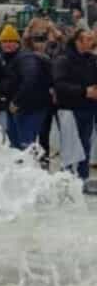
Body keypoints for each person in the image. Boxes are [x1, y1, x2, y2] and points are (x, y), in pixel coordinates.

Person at [50, 29, 97, 181]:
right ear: (78, 41)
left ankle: (83, 178)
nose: (92, 42)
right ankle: (67, 179)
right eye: (88, 39)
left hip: (89, 109)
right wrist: (84, 91)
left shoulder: (92, 59)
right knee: (70, 146)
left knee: (85, 145)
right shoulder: (63, 59)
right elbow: (59, 85)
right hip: (69, 110)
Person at [0, 25, 52, 153]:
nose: (8, 44)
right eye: (5, 41)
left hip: (30, 108)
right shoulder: (6, 59)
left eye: (11, 41)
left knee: (26, 146)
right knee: (16, 147)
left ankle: (30, 170)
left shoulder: (25, 58)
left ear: (18, 43)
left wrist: (17, 101)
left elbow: (31, 80)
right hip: (16, 108)